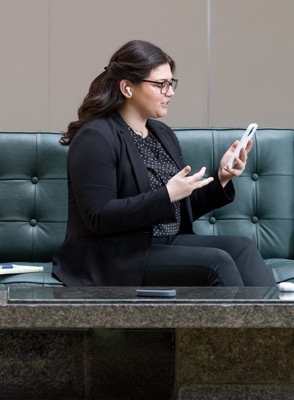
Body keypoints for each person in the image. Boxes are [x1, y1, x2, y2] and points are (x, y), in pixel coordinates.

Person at [52, 40, 275, 287]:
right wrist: (167, 194)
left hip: (161, 243)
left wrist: (222, 176)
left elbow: (179, 206)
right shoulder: (96, 137)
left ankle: (279, 323)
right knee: (216, 262)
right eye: (161, 85)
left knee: (242, 246)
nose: (170, 92)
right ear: (127, 88)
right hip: (114, 255)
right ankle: (248, 326)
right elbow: (99, 216)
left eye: (171, 83)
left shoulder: (162, 133)